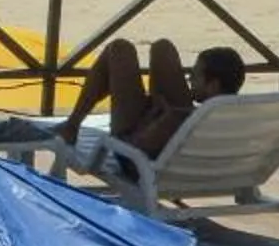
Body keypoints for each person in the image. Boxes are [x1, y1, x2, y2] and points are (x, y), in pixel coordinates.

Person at [58, 38, 245, 162]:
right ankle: (71, 125)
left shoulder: (184, 117)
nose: (189, 79)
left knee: (119, 49)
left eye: (195, 76)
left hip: (138, 158)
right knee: (162, 47)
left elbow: (138, 146)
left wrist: (157, 115)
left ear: (213, 84)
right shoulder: (244, 116)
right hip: (184, 156)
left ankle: (71, 126)